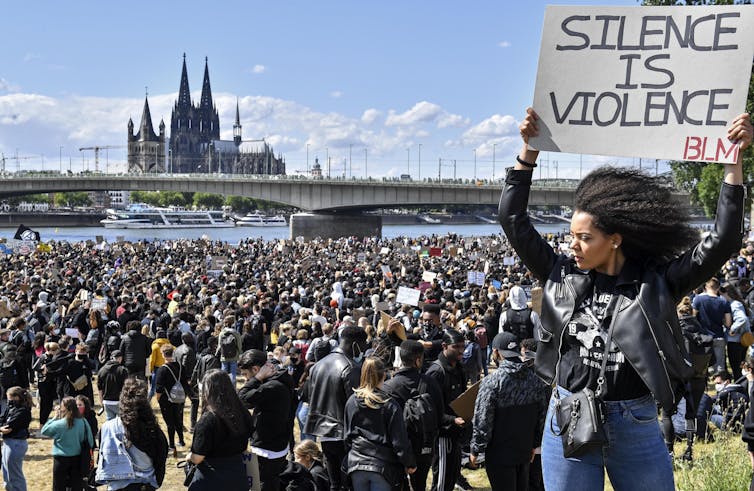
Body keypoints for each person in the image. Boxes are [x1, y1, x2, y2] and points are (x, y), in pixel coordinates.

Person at [499, 108, 751, 490]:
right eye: (571, 236)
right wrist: (528, 149)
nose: (573, 246)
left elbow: (723, 241)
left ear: (615, 238)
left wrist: (734, 159)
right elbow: (513, 220)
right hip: (568, 414)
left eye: (585, 238)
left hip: (636, 422)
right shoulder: (561, 276)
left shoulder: (658, 283)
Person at [470, 332, 549, 491]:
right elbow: (542, 416)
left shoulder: (492, 382)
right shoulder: (535, 380)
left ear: (496, 352)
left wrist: (476, 448)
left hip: (499, 454)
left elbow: (483, 419)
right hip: (525, 451)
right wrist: (535, 444)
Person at [303, 325, 367, 491]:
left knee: (334, 483)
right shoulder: (350, 368)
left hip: (324, 432)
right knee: (347, 482)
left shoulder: (318, 365)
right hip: (343, 433)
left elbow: (311, 397)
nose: (364, 349)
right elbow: (356, 406)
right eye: (363, 344)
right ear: (355, 344)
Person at [343, 357, 416, 490]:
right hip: (383, 466)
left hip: (356, 464)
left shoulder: (352, 401)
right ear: (384, 375)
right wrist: (409, 463)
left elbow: (347, 436)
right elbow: (399, 441)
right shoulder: (389, 404)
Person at [383, 340, 444, 491]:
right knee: (419, 485)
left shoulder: (387, 387)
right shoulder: (430, 383)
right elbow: (439, 414)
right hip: (423, 445)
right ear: (418, 360)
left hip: (395, 447)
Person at [95, 377, 168, 491]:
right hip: (144, 485)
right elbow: (160, 461)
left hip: (117, 487)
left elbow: (102, 459)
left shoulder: (107, 428)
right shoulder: (153, 431)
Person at [237, 348, 296, 491]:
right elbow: (251, 401)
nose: (246, 379)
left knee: (264, 483)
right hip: (276, 442)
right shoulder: (278, 378)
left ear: (256, 369)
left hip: (268, 446)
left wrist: (256, 379)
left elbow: (242, 398)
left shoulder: (272, 386)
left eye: (246, 375)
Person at [186, 369, 253, 490]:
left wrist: (189, 457)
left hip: (211, 479)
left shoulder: (207, 420)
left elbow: (197, 458)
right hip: (237, 475)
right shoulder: (242, 412)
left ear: (207, 391)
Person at [425, 329, 468, 491]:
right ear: (444, 346)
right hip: (442, 435)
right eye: (456, 347)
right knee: (441, 481)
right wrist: (451, 420)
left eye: (463, 346)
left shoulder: (459, 369)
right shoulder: (436, 372)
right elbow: (430, 409)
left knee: (452, 476)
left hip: (457, 432)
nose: (461, 351)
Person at [41, 396, 95, 491]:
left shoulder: (60, 424)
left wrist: (55, 417)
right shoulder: (83, 421)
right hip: (78, 460)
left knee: (59, 487)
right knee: (76, 486)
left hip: (60, 460)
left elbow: (44, 430)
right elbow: (90, 441)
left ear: (63, 408)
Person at [153, 345, 190, 454]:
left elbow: (159, 388)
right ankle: (182, 441)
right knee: (178, 419)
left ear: (163, 354)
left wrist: (157, 399)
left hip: (166, 399)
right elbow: (185, 382)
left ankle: (172, 445)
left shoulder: (162, 369)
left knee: (170, 423)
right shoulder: (180, 367)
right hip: (179, 398)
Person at [693, 278, 732, 373]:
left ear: (706, 286)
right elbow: (728, 323)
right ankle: (721, 385)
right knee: (719, 368)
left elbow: (693, 318)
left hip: (703, 338)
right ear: (718, 288)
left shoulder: (698, 299)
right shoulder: (724, 301)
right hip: (719, 336)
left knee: (703, 367)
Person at [0, 386, 32, 491]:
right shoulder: (11, 408)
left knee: (15, 475)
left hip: (16, 444)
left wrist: (1, 427)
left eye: (9, 398)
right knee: (6, 473)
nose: (8, 401)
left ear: (16, 398)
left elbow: (8, 427)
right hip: (7, 442)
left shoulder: (23, 411)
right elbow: (2, 420)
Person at [721, 282, 750, 380]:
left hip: (736, 341)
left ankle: (741, 389)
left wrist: (733, 329)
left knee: (736, 368)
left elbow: (742, 319)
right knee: (739, 367)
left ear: (726, 293)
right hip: (739, 341)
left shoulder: (734, 304)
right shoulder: (737, 303)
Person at [97, 350, 129, 420]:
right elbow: (126, 387)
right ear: (120, 358)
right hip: (119, 401)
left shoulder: (102, 370)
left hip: (106, 401)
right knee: (121, 423)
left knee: (109, 422)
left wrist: (101, 402)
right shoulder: (123, 370)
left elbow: (100, 388)